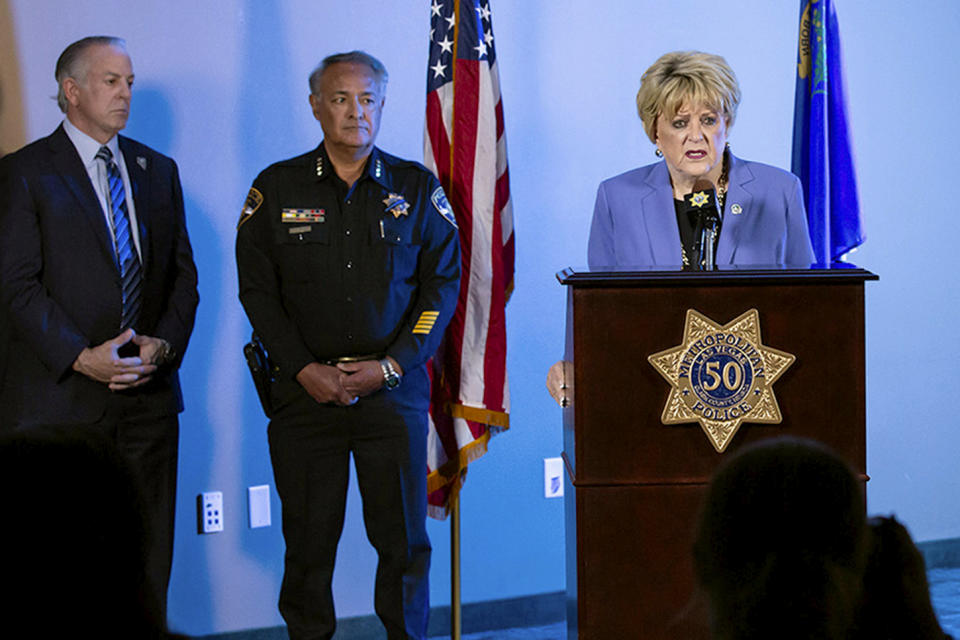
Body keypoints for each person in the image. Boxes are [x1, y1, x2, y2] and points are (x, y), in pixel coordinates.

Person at [235, 51, 460, 640]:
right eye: (340, 99)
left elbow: (441, 286)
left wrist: (393, 365)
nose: (355, 112)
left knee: (405, 543)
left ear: (382, 104)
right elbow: (258, 294)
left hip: (390, 397)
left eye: (367, 99)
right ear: (315, 107)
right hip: (305, 398)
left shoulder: (417, 188)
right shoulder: (275, 187)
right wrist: (303, 368)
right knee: (307, 546)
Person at [0, 36, 198, 620]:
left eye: (130, 82)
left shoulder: (156, 171)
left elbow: (183, 279)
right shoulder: (24, 173)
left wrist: (164, 345)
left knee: (147, 557)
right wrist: (82, 357)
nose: (125, 93)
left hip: (149, 405)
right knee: (58, 568)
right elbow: (16, 285)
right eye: (111, 81)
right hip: (60, 406)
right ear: (72, 90)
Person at [546, 51, 816, 404]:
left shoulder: (778, 190)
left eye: (708, 120)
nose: (696, 136)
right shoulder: (617, 198)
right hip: (648, 391)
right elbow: (600, 315)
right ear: (654, 132)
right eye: (679, 123)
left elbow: (809, 303)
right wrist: (572, 366)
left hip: (757, 391)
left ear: (727, 124)